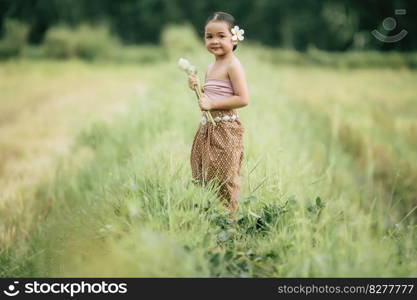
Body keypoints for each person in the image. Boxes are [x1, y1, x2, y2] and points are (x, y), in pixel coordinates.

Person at [188, 11, 249, 216]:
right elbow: (208, 100)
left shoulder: (233, 65)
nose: (215, 41)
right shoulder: (210, 67)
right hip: (207, 129)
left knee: (225, 176)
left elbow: (242, 98)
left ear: (234, 37)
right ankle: (209, 215)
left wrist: (212, 104)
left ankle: (228, 221)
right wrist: (198, 89)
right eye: (209, 36)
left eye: (221, 36)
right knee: (205, 173)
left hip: (225, 129)